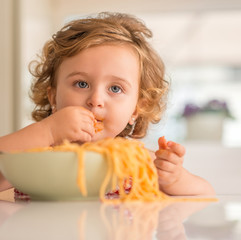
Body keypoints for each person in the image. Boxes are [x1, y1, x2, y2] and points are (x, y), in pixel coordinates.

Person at [0, 12, 215, 196]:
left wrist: (175, 180)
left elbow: (206, 193)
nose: (95, 100)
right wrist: (47, 131)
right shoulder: (34, 154)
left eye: (115, 88)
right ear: (53, 97)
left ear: (136, 109)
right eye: (81, 83)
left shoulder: (138, 162)